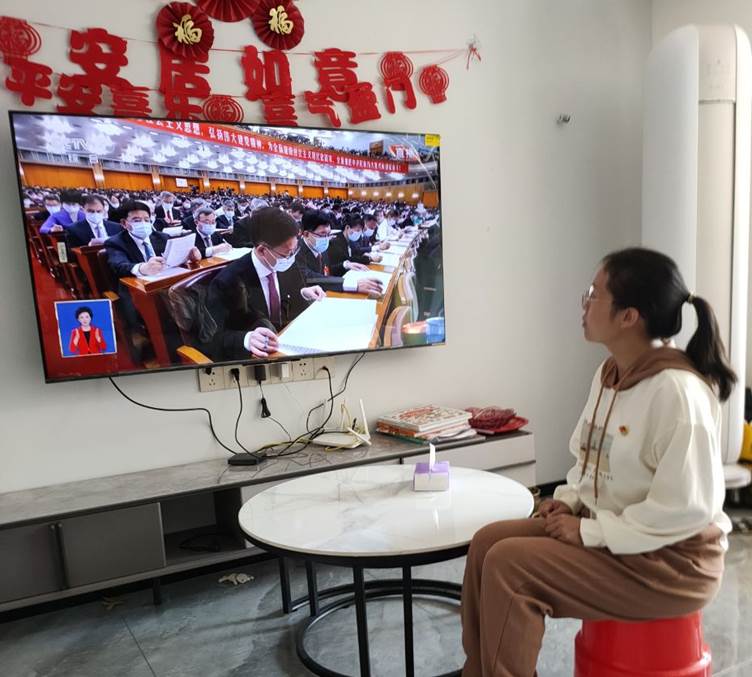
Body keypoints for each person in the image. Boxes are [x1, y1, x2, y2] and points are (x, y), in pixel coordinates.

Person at [460, 247, 734, 677]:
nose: (584, 304)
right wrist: (570, 501)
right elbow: (590, 458)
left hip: (670, 564)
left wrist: (588, 531)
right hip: (617, 533)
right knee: (486, 544)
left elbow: (686, 510)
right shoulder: (610, 375)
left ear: (629, 317)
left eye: (593, 294)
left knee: (510, 567)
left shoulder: (678, 395)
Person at [205, 207, 325, 361]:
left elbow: (289, 300)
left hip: (288, 343)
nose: (291, 257)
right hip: (256, 359)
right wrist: (246, 339)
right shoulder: (227, 282)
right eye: (287, 253)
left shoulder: (285, 262)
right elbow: (212, 338)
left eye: (295, 250)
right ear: (262, 250)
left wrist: (303, 293)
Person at [296, 209, 383, 294]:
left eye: (328, 234)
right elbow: (310, 278)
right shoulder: (296, 252)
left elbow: (327, 271)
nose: (326, 239)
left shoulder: (320, 247)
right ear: (306, 234)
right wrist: (350, 284)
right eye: (322, 234)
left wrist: (345, 265)